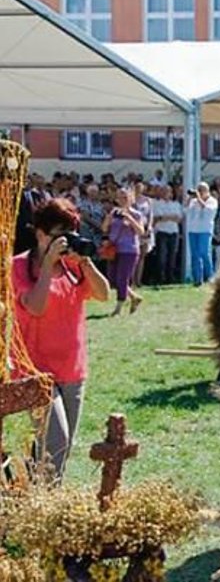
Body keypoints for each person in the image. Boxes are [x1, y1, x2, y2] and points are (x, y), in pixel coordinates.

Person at [13, 198, 110, 480]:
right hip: (35, 371)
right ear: (40, 234)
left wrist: (86, 263)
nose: (65, 241)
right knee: (57, 441)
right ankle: (45, 506)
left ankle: (34, 496)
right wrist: (47, 265)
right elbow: (35, 306)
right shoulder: (18, 266)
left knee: (59, 449)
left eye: (70, 234)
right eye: (59, 234)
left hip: (72, 369)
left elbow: (104, 295)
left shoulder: (75, 266)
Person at [102, 188, 145, 316]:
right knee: (113, 279)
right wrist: (109, 218)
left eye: (125, 198)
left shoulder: (136, 214)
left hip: (129, 249)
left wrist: (129, 218)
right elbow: (104, 228)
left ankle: (119, 307)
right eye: (120, 198)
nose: (122, 200)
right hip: (114, 249)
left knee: (122, 278)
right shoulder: (114, 213)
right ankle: (134, 297)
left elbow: (141, 232)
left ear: (131, 199)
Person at [185, 182, 218, 286]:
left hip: (205, 230)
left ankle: (210, 277)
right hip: (193, 230)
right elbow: (185, 211)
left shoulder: (212, 201)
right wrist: (189, 199)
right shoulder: (194, 201)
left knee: (204, 253)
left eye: (202, 190)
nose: (199, 192)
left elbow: (208, 211)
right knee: (195, 255)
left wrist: (199, 199)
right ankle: (197, 279)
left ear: (207, 191)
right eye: (198, 190)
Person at [152, 185, 183, 284]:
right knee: (161, 257)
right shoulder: (156, 204)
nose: (166, 193)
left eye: (168, 191)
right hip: (161, 233)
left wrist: (165, 217)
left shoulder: (176, 204)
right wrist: (170, 217)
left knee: (172, 256)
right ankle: (160, 278)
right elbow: (157, 218)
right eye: (164, 191)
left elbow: (179, 219)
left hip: (173, 232)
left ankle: (170, 278)